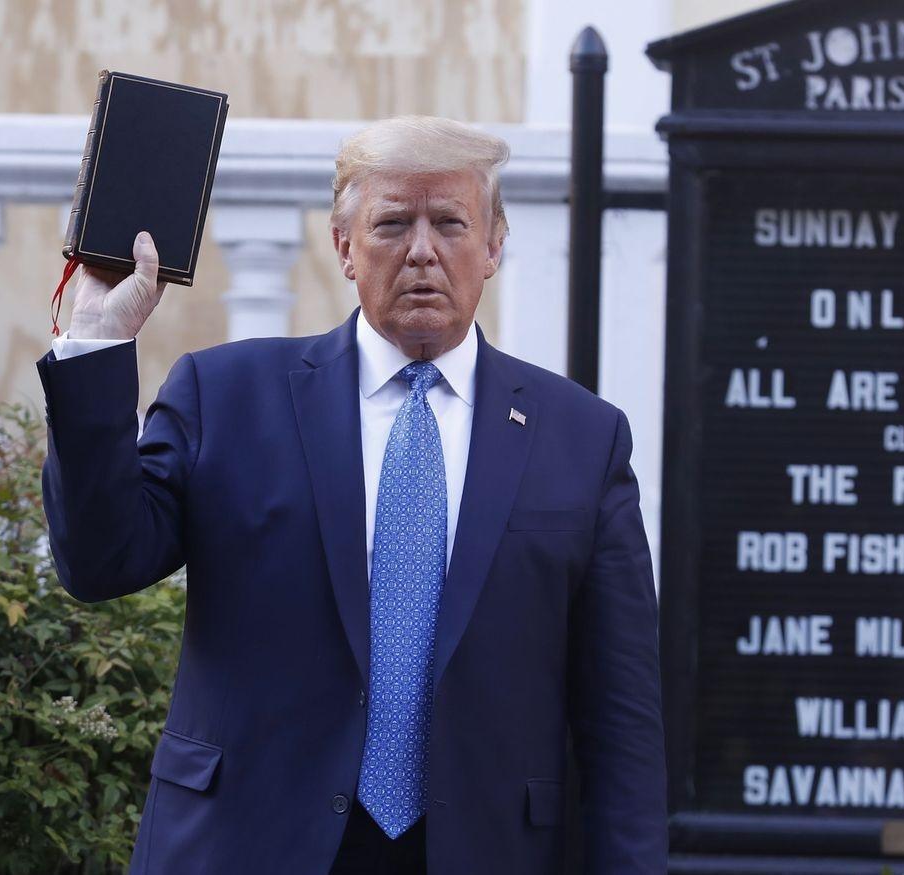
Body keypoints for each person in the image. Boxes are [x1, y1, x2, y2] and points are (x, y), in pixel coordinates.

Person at [35, 116, 666, 874]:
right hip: (249, 844)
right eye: (393, 224)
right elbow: (99, 560)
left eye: (451, 223)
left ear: (494, 246)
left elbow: (622, 721)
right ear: (343, 247)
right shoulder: (227, 395)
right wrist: (97, 342)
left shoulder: (583, 437)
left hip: (486, 848)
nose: (422, 250)